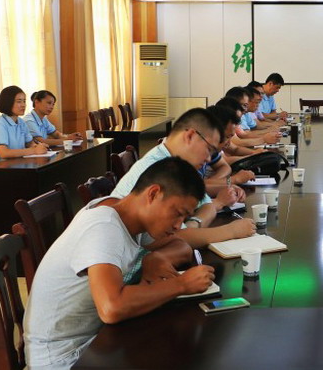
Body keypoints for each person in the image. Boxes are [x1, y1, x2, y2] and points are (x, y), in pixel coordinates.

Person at [24, 157, 216, 370]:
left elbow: (181, 246)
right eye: (178, 214)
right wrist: (181, 285)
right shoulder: (104, 227)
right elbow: (112, 307)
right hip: (64, 357)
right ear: (153, 194)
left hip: (97, 340)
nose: (179, 225)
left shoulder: (130, 215)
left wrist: (154, 257)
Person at [110, 108, 255, 248]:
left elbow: (207, 206)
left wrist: (193, 225)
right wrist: (231, 231)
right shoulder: (157, 167)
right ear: (190, 136)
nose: (208, 159)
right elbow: (170, 239)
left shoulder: (179, 165)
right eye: (209, 149)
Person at [0, 85, 48, 166]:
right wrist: (34, 150)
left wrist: (38, 146)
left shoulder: (21, 122)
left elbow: (29, 143)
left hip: (15, 165)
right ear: (8, 102)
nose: (23, 105)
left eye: (24, 101)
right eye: (19, 101)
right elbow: (4, 153)